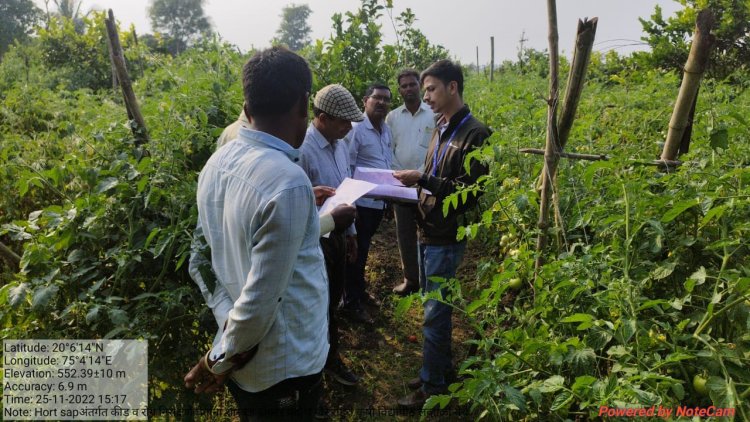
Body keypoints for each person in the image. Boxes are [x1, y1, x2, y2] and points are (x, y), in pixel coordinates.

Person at [183, 46, 344, 421]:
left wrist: (225, 322)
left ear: (247, 102)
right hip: (284, 367)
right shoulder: (287, 182)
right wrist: (217, 359)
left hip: (250, 364)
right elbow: (260, 302)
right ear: (304, 103)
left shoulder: (216, 163)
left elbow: (199, 258)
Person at [394, 60, 491, 409]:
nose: (426, 95)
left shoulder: (476, 134)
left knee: (436, 312)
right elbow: (432, 170)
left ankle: (432, 388)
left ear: (453, 87)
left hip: (446, 236)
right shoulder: (441, 125)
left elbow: (472, 191)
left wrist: (423, 181)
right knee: (433, 307)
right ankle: (436, 369)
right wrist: (417, 185)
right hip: (427, 228)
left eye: (432, 88)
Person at [298, 84, 364, 387]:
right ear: (322, 118)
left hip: (336, 236)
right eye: (343, 121)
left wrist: (349, 234)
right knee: (317, 306)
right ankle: (317, 369)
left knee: (332, 301)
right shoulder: (303, 150)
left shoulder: (339, 144)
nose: (349, 127)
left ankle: (328, 357)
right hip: (314, 242)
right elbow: (295, 207)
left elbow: (343, 192)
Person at [342, 83, 393, 323]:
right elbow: (347, 167)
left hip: (377, 203)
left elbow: (387, 162)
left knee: (364, 251)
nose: (382, 103)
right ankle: (351, 302)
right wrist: (351, 204)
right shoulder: (356, 129)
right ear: (365, 100)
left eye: (386, 99)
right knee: (355, 253)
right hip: (360, 204)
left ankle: (358, 292)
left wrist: (390, 197)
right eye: (377, 98)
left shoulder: (386, 130)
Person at [386, 69, 436, 296]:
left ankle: (430, 280)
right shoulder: (393, 117)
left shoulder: (433, 114)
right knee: (404, 232)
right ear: (400, 90)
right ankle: (411, 280)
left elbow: (438, 149)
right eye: (404, 86)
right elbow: (389, 149)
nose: (408, 89)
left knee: (429, 231)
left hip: (428, 182)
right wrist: (399, 177)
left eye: (412, 84)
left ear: (420, 86)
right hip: (401, 184)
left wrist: (420, 175)